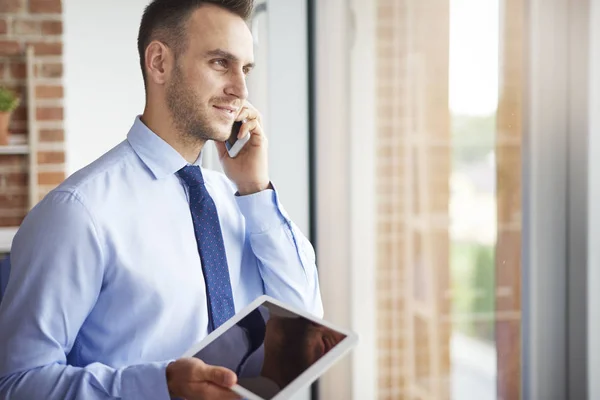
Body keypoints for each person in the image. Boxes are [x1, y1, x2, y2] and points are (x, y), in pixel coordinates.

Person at [0, 0, 323, 399]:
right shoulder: (79, 213)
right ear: (159, 63)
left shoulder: (240, 199)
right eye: (221, 63)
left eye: (246, 69)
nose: (241, 89)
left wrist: (256, 190)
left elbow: (306, 319)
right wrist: (159, 387)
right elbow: (16, 383)